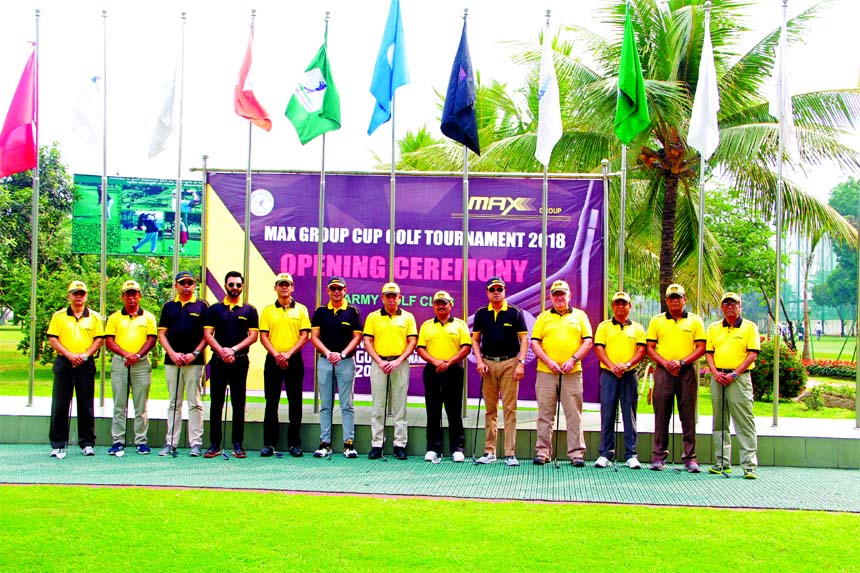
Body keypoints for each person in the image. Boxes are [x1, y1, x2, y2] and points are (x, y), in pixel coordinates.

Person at [529, 280, 593, 466]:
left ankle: (576, 454)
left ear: (569, 295)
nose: (559, 297)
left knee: (574, 413)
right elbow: (534, 343)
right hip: (546, 372)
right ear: (550, 297)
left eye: (562, 294)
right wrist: (549, 362)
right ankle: (542, 452)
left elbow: (588, 341)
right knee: (545, 414)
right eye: (556, 294)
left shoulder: (580, 316)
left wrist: (573, 359)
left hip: (572, 372)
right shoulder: (543, 317)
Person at [645, 283, 706, 472]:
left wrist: (681, 362)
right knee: (661, 414)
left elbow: (701, 348)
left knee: (688, 415)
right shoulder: (657, 321)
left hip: (686, 371)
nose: (675, 301)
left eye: (678, 297)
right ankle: (658, 456)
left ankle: (690, 458)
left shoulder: (695, 321)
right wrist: (665, 363)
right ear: (666, 301)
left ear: (685, 299)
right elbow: (649, 348)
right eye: (671, 298)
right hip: (663, 371)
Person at [471, 276, 529, 466]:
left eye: (500, 289)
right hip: (487, 365)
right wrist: (479, 361)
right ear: (487, 292)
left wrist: (521, 363)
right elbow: (475, 340)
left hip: (509, 363)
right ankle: (489, 452)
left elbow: (524, 340)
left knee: (510, 409)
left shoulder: (515, 313)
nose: (496, 292)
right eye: (493, 289)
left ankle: (510, 453)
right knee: (491, 410)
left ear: (504, 291)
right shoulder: (481, 314)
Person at [202, 271, 259, 459]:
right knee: (216, 403)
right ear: (226, 285)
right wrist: (223, 351)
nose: (235, 288)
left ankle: (237, 444)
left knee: (238, 402)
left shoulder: (249, 310)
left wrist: (232, 350)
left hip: (240, 360)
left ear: (242, 287)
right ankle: (214, 444)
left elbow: (253, 336)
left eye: (238, 285)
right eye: (231, 284)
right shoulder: (214, 309)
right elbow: (208, 335)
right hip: (218, 361)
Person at [705, 292, 761, 479]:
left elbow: (752, 354)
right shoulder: (714, 328)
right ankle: (722, 462)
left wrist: (734, 374)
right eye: (726, 303)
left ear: (740, 306)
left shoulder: (749, 327)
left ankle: (749, 466)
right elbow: (709, 353)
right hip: (718, 377)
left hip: (739, 378)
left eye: (733, 303)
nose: (729, 306)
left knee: (744, 421)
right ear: (721, 307)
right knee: (719, 422)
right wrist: (714, 373)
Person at [46, 281, 104, 458]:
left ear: (86, 296)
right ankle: (58, 444)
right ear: (69, 296)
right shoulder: (59, 316)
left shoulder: (94, 317)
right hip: (65, 362)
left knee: (86, 404)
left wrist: (84, 355)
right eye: (75, 293)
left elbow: (99, 340)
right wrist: (70, 355)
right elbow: (53, 339)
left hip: (85, 363)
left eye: (82, 294)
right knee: (60, 404)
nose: (79, 297)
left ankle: (87, 443)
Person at [362, 282, 418, 460]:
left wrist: (399, 361)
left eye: (395, 296)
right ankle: (377, 444)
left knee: (399, 406)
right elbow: (367, 341)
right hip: (379, 363)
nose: (391, 299)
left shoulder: (408, 317)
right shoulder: (373, 317)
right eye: (388, 295)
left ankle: (399, 444)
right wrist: (379, 361)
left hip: (400, 364)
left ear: (400, 297)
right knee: (378, 406)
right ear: (382, 297)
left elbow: (412, 342)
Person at [157, 270, 209, 457]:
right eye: (183, 282)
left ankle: (196, 443)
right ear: (176, 286)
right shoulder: (168, 306)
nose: (186, 285)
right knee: (174, 403)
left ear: (195, 285)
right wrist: (172, 353)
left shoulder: (203, 306)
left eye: (190, 282)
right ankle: (171, 443)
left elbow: (207, 335)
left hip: (194, 362)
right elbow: (162, 334)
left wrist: (195, 353)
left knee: (195, 403)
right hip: (173, 362)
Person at [259, 273, 311, 458]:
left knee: (295, 403)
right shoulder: (267, 311)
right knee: (271, 403)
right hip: (273, 359)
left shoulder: (301, 309)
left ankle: (294, 444)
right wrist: (277, 355)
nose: (284, 288)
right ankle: (269, 444)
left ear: (292, 287)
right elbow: (263, 336)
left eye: (287, 284)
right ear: (275, 288)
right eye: (281, 284)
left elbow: (305, 335)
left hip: (294, 359)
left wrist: (288, 354)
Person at [416, 291, 472, 463]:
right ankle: (433, 448)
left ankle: (457, 449)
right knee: (433, 411)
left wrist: (448, 362)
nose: (441, 306)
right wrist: (436, 362)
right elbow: (420, 348)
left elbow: (466, 347)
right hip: (432, 370)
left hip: (453, 370)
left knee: (454, 410)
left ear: (450, 305)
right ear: (433, 305)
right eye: (438, 303)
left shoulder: (460, 324)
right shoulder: (426, 325)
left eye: (444, 303)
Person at [310, 276, 363, 458]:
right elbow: (314, 337)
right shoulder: (321, 311)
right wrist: (328, 353)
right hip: (325, 361)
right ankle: (325, 443)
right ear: (328, 291)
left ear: (345, 290)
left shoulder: (352, 311)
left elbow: (357, 337)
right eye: (333, 289)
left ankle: (349, 444)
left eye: (339, 288)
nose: (336, 292)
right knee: (326, 404)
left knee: (346, 404)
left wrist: (341, 354)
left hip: (345, 361)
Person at [592, 291, 646, 469]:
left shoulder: (637, 328)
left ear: (630, 306)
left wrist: (627, 364)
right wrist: (612, 365)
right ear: (613, 306)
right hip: (609, 374)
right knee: (608, 412)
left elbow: (641, 350)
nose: (620, 307)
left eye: (624, 304)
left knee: (629, 414)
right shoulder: (604, 326)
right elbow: (599, 349)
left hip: (629, 375)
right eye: (617, 304)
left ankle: (631, 454)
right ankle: (605, 453)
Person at [104, 280, 158, 455]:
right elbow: (109, 341)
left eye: (134, 294)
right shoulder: (114, 318)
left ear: (140, 296)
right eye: (128, 294)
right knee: (119, 404)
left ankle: (141, 441)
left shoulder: (148, 317)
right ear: (123, 297)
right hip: (120, 362)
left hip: (141, 363)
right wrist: (127, 355)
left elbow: (151, 339)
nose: (131, 298)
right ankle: (118, 441)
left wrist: (137, 355)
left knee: (140, 405)